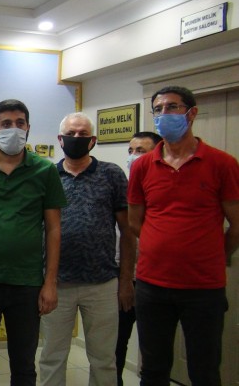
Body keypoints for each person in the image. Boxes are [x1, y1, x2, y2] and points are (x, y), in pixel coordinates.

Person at [128, 86, 239, 385]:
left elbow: (237, 225)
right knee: (153, 369)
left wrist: (213, 255)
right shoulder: (142, 166)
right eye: (158, 109)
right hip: (152, 285)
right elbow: (136, 222)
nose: (164, 114)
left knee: (204, 370)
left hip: (203, 288)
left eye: (172, 107)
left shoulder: (222, 164)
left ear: (192, 113)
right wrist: (162, 246)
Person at [0, 99, 66, 386]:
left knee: (23, 363)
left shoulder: (44, 171)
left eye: (20, 123)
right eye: (6, 123)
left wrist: (50, 283)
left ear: (28, 128)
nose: (14, 128)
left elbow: (54, 229)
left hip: (27, 283)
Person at [39, 112, 135, 386]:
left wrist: (126, 280)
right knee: (52, 356)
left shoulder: (112, 174)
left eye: (83, 134)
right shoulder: (47, 175)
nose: (77, 138)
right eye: (71, 133)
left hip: (102, 283)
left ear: (93, 140)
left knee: (104, 359)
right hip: (57, 283)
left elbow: (128, 231)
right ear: (60, 139)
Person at [115, 130, 161, 386]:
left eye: (141, 151)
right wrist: (124, 280)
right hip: (123, 278)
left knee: (154, 350)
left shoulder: (162, 188)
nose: (133, 156)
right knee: (115, 346)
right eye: (130, 151)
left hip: (153, 282)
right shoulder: (122, 187)